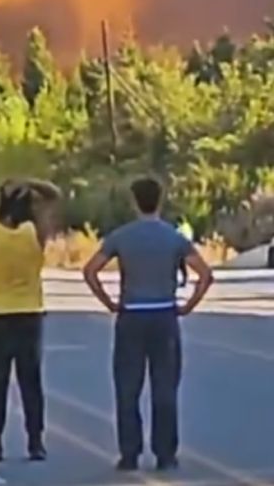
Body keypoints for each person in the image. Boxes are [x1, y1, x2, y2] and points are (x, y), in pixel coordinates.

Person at [82, 177, 213, 472]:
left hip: (132, 315)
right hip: (164, 315)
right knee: (164, 386)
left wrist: (109, 302)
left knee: (128, 386)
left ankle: (130, 453)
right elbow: (205, 274)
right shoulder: (174, 237)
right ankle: (165, 452)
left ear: (134, 201)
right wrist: (188, 305)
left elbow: (90, 270)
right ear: (161, 200)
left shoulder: (121, 236)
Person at [0, 178, 61, 462]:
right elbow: (54, 195)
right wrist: (29, 181)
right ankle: (35, 442)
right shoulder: (37, 232)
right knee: (30, 381)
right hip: (30, 314)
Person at [176, 219, 194, 287]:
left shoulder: (181, 228)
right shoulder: (188, 227)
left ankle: (183, 281)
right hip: (188, 246)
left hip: (181, 248)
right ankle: (184, 280)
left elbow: (177, 235)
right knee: (182, 265)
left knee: (180, 265)